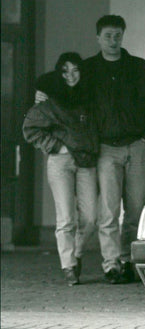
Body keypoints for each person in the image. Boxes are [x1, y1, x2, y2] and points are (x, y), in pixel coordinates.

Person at [36, 15, 145, 284]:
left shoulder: (140, 68)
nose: (113, 40)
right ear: (98, 38)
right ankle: (111, 264)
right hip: (105, 149)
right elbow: (62, 81)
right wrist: (40, 94)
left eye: (117, 35)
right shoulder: (89, 69)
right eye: (107, 35)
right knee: (107, 211)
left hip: (136, 147)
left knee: (136, 208)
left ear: (123, 36)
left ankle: (129, 260)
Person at [23, 53, 99, 286]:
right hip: (61, 162)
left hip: (87, 161)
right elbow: (30, 129)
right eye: (65, 71)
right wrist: (58, 147)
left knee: (90, 218)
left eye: (75, 70)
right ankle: (69, 266)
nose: (70, 76)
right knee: (65, 218)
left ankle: (75, 253)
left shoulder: (90, 96)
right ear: (59, 73)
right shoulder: (49, 100)